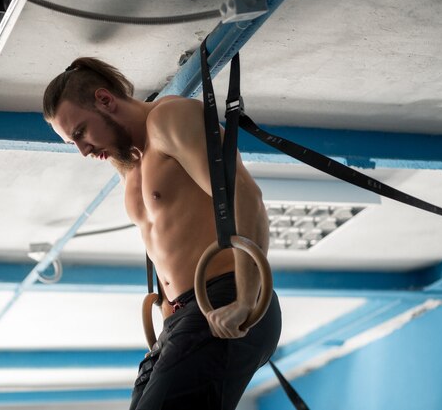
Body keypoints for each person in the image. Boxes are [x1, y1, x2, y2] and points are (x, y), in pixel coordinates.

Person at [42, 57, 282, 410]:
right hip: (183, 319)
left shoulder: (170, 119)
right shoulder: (129, 165)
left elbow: (245, 197)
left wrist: (246, 299)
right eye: (72, 143)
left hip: (224, 297)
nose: (83, 150)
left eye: (80, 132)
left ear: (105, 100)